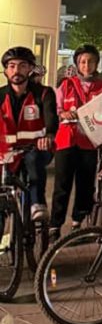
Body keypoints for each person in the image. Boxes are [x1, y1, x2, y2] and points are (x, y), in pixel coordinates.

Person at [51, 45, 102, 238]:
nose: (87, 65)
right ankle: (55, 225)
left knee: (85, 184)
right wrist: (63, 113)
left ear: (96, 64)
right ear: (77, 64)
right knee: (62, 185)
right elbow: (55, 108)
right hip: (66, 141)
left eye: (91, 61)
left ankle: (78, 223)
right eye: (83, 62)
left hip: (89, 142)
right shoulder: (66, 85)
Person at [0, 47, 57, 221]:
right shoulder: (0, 96)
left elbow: (51, 118)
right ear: (6, 70)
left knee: (33, 162)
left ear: (30, 68)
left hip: (36, 149)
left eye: (22, 66)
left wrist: (48, 136)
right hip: (7, 152)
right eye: (11, 66)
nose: (16, 70)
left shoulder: (43, 93)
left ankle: (37, 204)